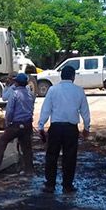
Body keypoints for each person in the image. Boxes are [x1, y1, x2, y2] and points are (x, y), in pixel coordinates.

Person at [37, 65, 91, 194]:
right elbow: (85, 111)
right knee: (70, 157)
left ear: (61, 76)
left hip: (55, 128)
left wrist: (40, 126)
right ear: (73, 76)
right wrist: (86, 127)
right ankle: (67, 185)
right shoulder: (79, 91)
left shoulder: (52, 90)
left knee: (51, 156)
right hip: (71, 129)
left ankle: (50, 184)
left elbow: (46, 109)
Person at [0, 73, 35, 174]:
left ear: (16, 83)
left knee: (3, 141)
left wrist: (8, 123)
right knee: (27, 148)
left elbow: (10, 111)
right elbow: (31, 108)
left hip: (16, 124)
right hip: (27, 124)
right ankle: (29, 170)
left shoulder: (15, 94)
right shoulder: (30, 94)